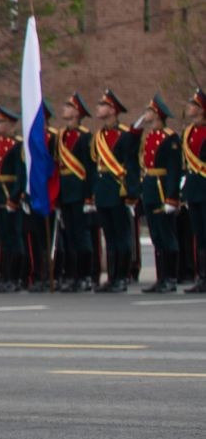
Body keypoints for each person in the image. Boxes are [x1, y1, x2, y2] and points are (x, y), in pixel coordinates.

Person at [90, 92, 138, 292]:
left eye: (102, 105)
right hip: (102, 191)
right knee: (109, 236)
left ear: (112, 110)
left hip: (119, 189)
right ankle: (111, 277)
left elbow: (132, 165)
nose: (98, 108)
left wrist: (132, 192)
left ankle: (122, 277)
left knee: (122, 236)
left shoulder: (125, 135)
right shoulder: (98, 136)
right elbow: (94, 166)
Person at [138, 95, 183, 293]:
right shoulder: (150, 136)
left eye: (148, 111)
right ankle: (161, 277)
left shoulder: (170, 137)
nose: (145, 114)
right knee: (156, 235)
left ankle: (171, 278)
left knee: (167, 235)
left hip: (162, 188)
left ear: (157, 114)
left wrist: (172, 198)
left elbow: (174, 170)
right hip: (150, 187)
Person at [51, 95, 93, 293]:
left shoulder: (85, 136)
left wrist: (89, 196)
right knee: (69, 237)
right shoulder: (60, 136)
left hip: (79, 190)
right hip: (65, 191)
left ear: (77, 112)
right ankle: (73, 275)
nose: (64, 109)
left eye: (68, 106)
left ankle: (86, 275)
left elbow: (89, 168)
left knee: (81, 235)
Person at [0, 109, 27, 294]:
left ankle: (16, 277)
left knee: (14, 238)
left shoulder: (17, 145)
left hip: (9, 195)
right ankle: (6, 278)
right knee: (4, 239)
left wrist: (15, 197)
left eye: (0, 123)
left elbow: (21, 175)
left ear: (11, 125)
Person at [181, 89, 206, 295]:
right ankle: (202, 277)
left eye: (192, 104)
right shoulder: (188, 132)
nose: (188, 107)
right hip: (194, 189)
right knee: (199, 234)